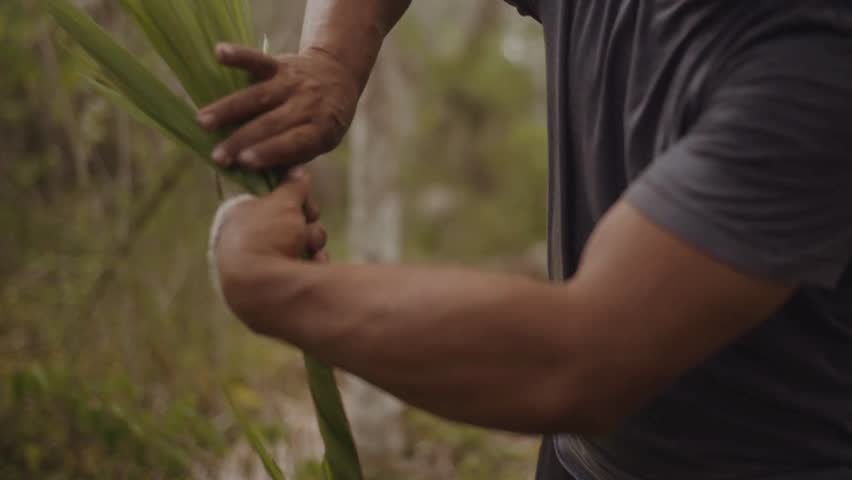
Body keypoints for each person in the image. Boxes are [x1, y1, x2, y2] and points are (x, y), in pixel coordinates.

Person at [199, 1, 852, 479]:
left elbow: (578, 360)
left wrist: (272, 287)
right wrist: (330, 62)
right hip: (579, 461)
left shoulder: (817, 61)